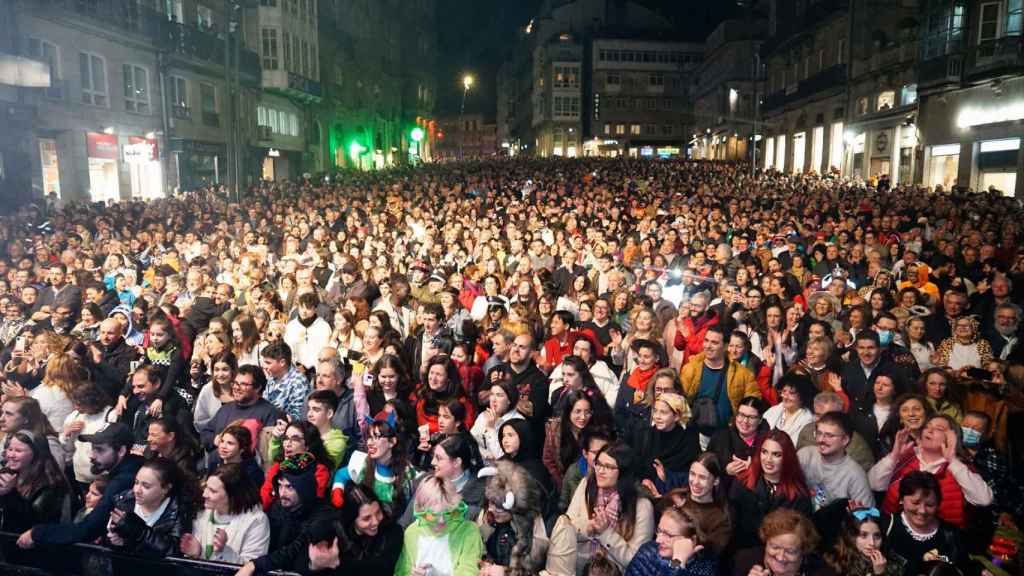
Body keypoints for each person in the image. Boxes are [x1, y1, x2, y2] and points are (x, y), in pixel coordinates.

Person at [17, 422, 144, 548]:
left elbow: (88, 529)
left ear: (121, 450)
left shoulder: (123, 480)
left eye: (100, 449)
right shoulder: (132, 469)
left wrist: (38, 533)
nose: (92, 455)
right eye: (93, 448)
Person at [545, 441, 655, 575]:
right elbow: (569, 526)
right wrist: (588, 529)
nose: (600, 471)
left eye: (608, 467)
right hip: (579, 564)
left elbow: (636, 561)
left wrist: (605, 533)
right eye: (598, 464)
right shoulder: (587, 484)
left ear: (624, 472)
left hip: (612, 570)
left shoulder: (642, 506)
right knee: (562, 523)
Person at [869, 414, 993, 528]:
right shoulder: (906, 456)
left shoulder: (958, 467)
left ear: (952, 438)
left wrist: (953, 460)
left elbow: (984, 499)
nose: (929, 430)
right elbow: (873, 483)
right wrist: (894, 455)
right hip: (893, 532)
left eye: (939, 428)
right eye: (927, 426)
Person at [234, 453, 338, 576]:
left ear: (304, 489)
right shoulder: (277, 508)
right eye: (280, 486)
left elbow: (295, 549)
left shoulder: (323, 515)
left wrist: (255, 565)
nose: (282, 493)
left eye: (289, 487)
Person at [728, 430, 812, 550]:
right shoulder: (742, 481)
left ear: (787, 458)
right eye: (764, 452)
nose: (768, 459)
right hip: (744, 552)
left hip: (781, 557)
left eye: (776, 454)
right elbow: (732, 525)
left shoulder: (799, 494)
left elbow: (801, 538)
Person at [303, 483, 405, 574]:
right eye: (366, 518)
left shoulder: (393, 531)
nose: (375, 522)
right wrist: (315, 566)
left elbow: (382, 569)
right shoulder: (334, 533)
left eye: (378, 512)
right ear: (352, 518)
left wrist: (337, 564)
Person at [679, 327, 760, 441]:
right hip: (694, 434)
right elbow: (679, 401)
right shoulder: (690, 369)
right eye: (706, 341)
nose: (708, 346)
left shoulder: (743, 374)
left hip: (727, 437)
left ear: (726, 346)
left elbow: (754, 403)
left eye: (714, 343)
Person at [103, 457, 193, 558]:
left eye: (146, 486)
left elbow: (173, 551)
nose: (137, 490)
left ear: (166, 489)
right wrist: (117, 542)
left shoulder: (179, 510)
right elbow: (107, 539)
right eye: (136, 482)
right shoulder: (124, 501)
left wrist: (139, 531)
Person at [180, 463, 270, 564]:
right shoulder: (203, 513)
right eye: (206, 487)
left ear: (232, 496)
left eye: (213, 491)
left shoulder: (256, 521)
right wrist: (197, 552)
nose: (204, 494)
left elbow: (252, 567)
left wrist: (225, 551)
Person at [395, 474, 483, 576]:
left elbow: (469, 571)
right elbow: (401, 571)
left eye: (448, 513)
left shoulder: (469, 531)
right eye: (433, 515)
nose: (441, 520)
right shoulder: (412, 532)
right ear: (421, 510)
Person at [882, 471, 963, 576]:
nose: (922, 511)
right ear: (901, 499)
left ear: (938, 504)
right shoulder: (886, 527)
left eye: (930, 505)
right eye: (915, 503)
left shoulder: (950, 534)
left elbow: (964, 568)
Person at [478, 460, 550, 575]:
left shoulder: (540, 531)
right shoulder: (492, 520)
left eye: (499, 507)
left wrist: (506, 572)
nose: (491, 509)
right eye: (491, 502)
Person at [331, 417, 414, 514]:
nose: (370, 443)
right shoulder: (362, 463)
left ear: (392, 442)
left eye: (377, 437)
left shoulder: (406, 470)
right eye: (369, 437)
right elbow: (341, 475)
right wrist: (337, 491)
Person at [796, 411, 874, 512]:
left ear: (845, 440)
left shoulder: (855, 475)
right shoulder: (805, 455)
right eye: (819, 433)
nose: (821, 440)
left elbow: (867, 515)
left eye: (829, 435)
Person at [0, 429, 71, 533]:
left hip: (35, 543)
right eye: (10, 449)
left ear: (36, 453)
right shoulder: (7, 473)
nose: (11, 455)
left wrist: (10, 493)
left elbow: (32, 523)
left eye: (18, 451)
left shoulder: (50, 484)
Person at [199, 365, 280, 455]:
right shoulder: (226, 409)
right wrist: (215, 440)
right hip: (219, 465)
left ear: (257, 388)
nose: (237, 388)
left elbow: (269, 450)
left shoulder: (269, 412)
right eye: (235, 383)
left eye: (244, 384)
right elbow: (205, 433)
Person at [732, 507, 836, 576]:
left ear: (803, 549)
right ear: (766, 541)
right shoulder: (743, 561)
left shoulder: (824, 573)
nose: (780, 557)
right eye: (775, 547)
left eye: (790, 551)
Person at [633, 392, 699, 497]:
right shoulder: (646, 435)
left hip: (675, 498)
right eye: (655, 411)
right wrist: (645, 480)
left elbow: (690, 479)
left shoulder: (688, 441)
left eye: (663, 412)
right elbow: (637, 467)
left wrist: (666, 478)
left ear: (676, 416)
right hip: (645, 493)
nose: (657, 416)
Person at [543, 387, 612, 487]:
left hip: (592, 484)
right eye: (578, 411)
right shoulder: (555, 430)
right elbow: (548, 460)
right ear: (569, 412)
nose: (583, 417)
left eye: (587, 412)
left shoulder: (598, 432)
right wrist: (562, 484)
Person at [624, 506, 717, 576]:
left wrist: (678, 561)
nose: (658, 540)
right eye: (659, 531)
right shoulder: (647, 551)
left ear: (692, 540)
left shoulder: (705, 568)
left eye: (668, 535)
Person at [262, 420, 332, 510]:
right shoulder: (277, 467)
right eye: (286, 438)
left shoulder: (319, 470)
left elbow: (313, 504)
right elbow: (264, 499)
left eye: (295, 439)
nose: (287, 444)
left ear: (308, 446)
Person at [796, 391, 874, 471]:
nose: (822, 420)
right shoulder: (806, 431)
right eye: (818, 414)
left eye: (828, 415)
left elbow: (863, 474)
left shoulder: (856, 445)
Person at [823, 507, 906, 576]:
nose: (872, 543)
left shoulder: (891, 562)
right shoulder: (836, 564)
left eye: (877, 536)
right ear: (851, 536)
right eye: (863, 536)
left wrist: (882, 572)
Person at [707, 396, 768, 488]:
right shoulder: (720, 437)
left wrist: (753, 469)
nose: (745, 421)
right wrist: (725, 470)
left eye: (751, 417)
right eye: (742, 415)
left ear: (760, 420)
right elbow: (706, 466)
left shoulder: (768, 441)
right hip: (723, 494)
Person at [472, 379, 525, 464]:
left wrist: (490, 429)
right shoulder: (483, 416)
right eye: (492, 394)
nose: (493, 399)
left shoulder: (518, 421)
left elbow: (503, 458)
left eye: (499, 395)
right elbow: (472, 443)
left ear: (509, 400)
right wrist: (485, 454)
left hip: (506, 471)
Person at [260, 342, 310, 421]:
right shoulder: (272, 376)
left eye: (268, 363)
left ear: (282, 362)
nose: (264, 366)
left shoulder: (298, 382)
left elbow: (297, 416)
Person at [761, 373, 816, 445]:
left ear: (802, 396)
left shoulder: (808, 420)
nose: (786, 397)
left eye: (791, 393)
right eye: (784, 391)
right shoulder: (772, 411)